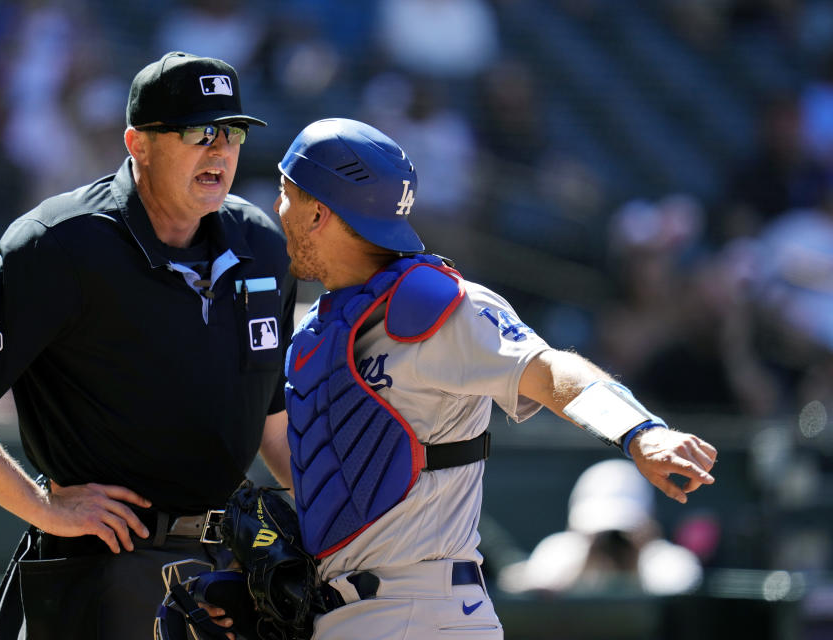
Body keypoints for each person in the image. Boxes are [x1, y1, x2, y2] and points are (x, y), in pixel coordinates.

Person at [0, 51, 296, 640]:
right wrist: (41, 505)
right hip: (103, 572)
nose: (220, 150)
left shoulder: (261, 243)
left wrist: (331, 532)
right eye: (198, 132)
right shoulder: (62, 244)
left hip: (228, 576)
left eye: (231, 132)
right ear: (139, 143)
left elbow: (272, 418)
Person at [265, 118, 716, 639]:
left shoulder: (436, 307)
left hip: (421, 607)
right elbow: (319, 477)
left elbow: (549, 370)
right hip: (342, 612)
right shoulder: (314, 335)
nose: (278, 209)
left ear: (319, 211)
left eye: (285, 193)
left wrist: (640, 431)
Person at [498, 459, 704, 596]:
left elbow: (678, 587)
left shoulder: (666, 560)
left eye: (623, 532)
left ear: (648, 524)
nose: (610, 540)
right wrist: (574, 570)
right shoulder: (561, 551)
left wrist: (636, 559)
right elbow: (516, 585)